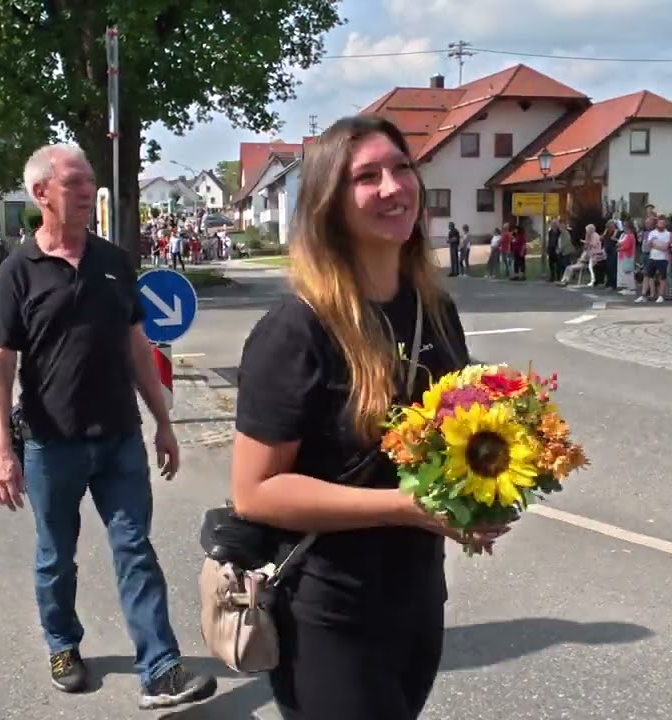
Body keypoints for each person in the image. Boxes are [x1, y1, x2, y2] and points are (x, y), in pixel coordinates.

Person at [229, 114, 509, 720]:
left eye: (401, 168)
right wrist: (409, 509)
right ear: (331, 204)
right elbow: (255, 491)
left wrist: (478, 496)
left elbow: (444, 444)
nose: (393, 186)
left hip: (416, 597)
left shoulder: (434, 311)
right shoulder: (296, 330)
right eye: (367, 176)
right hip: (327, 609)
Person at [0, 143, 216, 709]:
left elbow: (137, 347)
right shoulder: (19, 271)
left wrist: (163, 421)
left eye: (90, 182)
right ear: (42, 194)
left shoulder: (114, 260)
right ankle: (62, 643)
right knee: (56, 554)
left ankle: (160, 669)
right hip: (49, 443)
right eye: (75, 183)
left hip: (118, 438)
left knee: (136, 548)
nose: (88, 191)